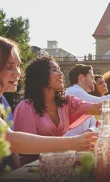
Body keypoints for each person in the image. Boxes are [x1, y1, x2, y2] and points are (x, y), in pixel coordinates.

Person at [0, 36, 97, 172]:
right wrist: (74, 143)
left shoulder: (4, 103)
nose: (17, 73)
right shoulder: (26, 107)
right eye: (9, 67)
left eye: (18, 66)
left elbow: (12, 153)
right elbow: (12, 141)